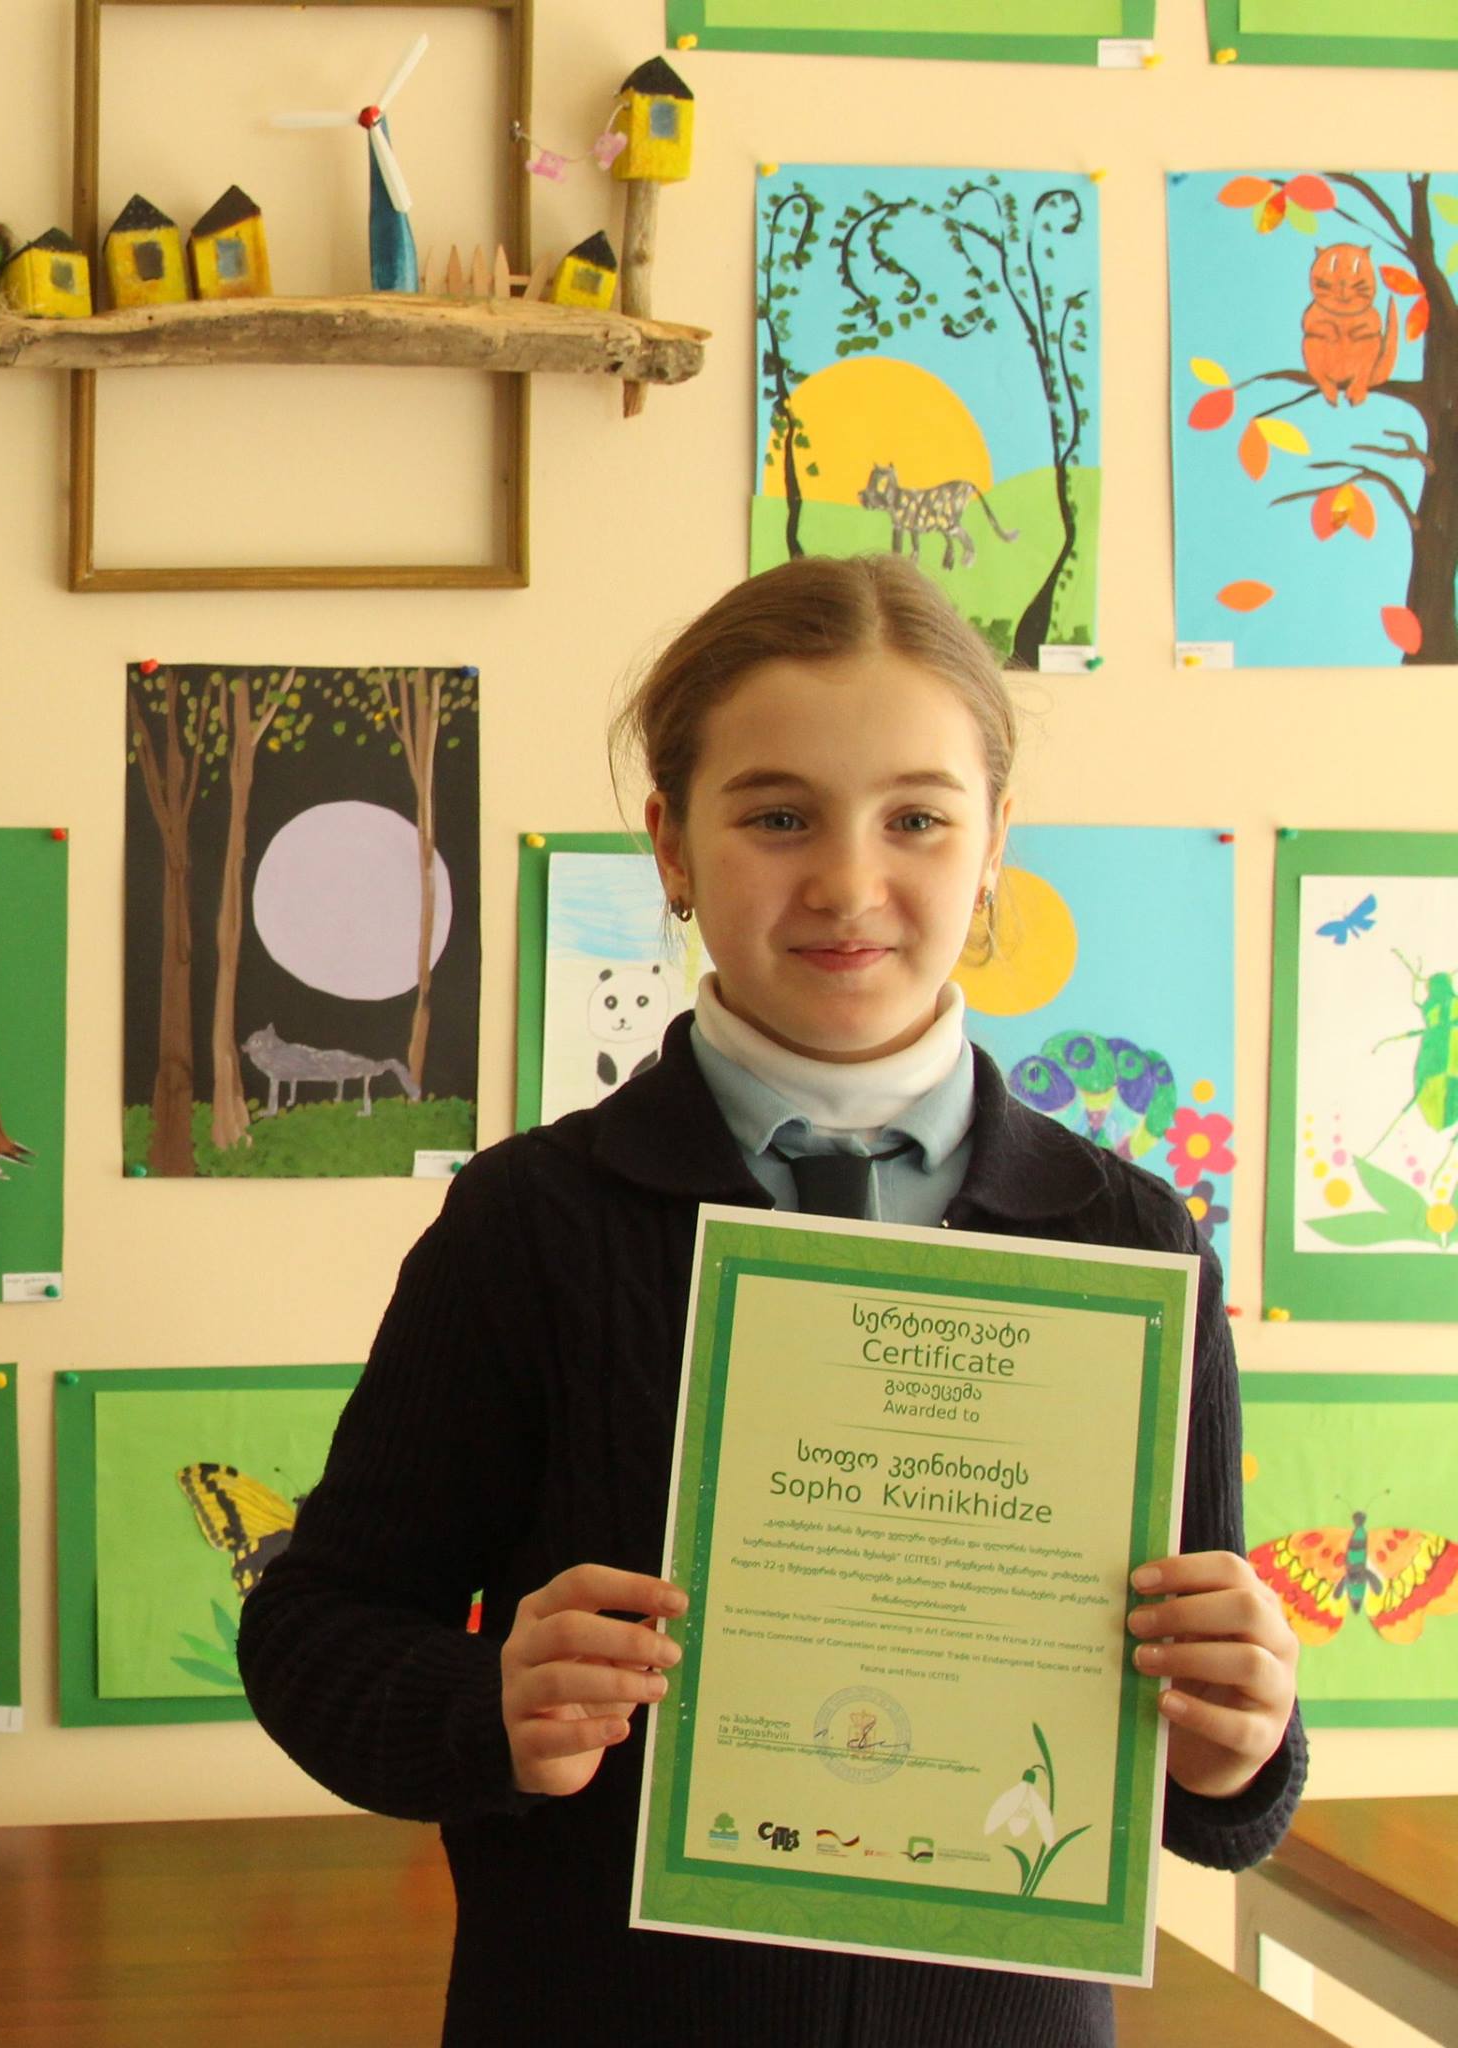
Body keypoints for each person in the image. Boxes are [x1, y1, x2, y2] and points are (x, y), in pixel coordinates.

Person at [239, 553, 1304, 2048]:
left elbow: (1200, 1767)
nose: (849, 885)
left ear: (995, 845)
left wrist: (1242, 1741)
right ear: (672, 846)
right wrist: (488, 1705)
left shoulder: (1129, 1238)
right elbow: (315, 1628)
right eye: (779, 816)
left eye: (917, 819)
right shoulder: (531, 1224)